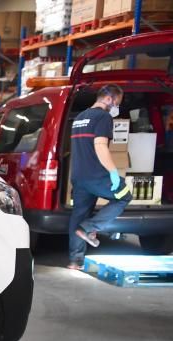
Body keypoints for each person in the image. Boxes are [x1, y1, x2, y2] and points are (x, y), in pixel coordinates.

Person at [67, 84, 133, 270]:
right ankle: (89, 228)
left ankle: (75, 261)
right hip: (97, 175)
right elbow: (100, 146)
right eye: (117, 102)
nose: (116, 107)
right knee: (124, 196)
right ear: (109, 99)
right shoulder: (103, 117)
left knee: (78, 214)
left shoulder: (79, 117)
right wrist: (113, 172)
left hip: (79, 176)